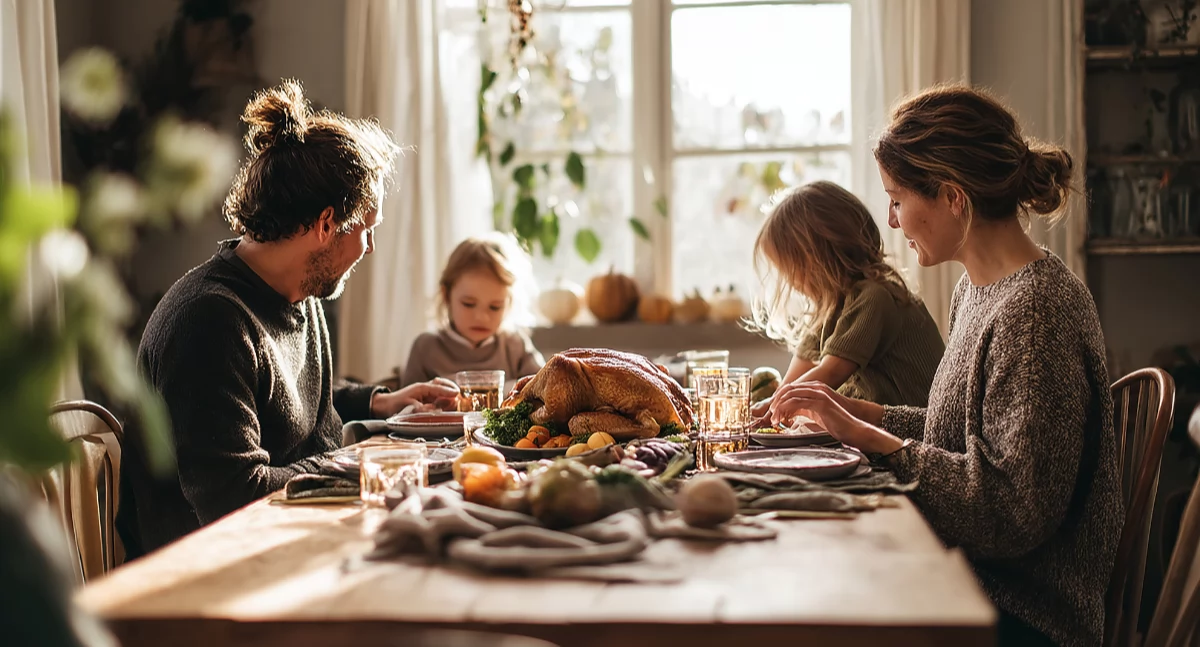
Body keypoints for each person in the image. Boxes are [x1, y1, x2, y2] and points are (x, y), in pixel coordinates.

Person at [770, 85, 1122, 647]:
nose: (890, 220)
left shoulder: (1034, 314)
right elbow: (958, 435)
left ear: (953, 198)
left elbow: (1012, 511)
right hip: (965, 579)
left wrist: (867, 435)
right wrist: (861, 412)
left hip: (1021, 615)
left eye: (897, 198)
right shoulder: (977, 293)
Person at [118, 80, 458, 558]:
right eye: (367, 229)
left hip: (300, 538)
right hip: (217, 574)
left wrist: (381, 403)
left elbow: (283, 401)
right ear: (325, 225)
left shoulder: (299, 291)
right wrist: (361, 463)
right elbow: (236, 495)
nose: (370, 247)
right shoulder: (208, 322)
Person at [749, 180, 944, 419]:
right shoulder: (831, 307)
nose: (790, 282)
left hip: (915, 432)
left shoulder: (874, 296)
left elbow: (829, 374)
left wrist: (773, 412)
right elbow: (791, 384)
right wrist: (764, 408)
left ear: (816, 258)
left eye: (790, 270)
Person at [401, 234, 544, 387]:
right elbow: (407, 405)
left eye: (495, 307)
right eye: (468, 304)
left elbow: (544, 388)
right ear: (447, 296)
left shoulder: (515, 346)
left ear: (508, 303)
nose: (482, 317)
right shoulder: (425, 348)